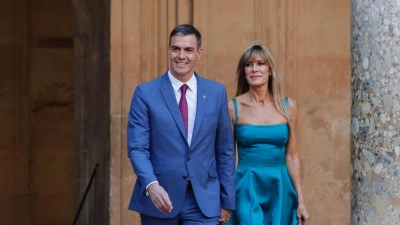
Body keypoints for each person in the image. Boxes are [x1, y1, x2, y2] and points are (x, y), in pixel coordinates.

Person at [127, 24, 236, 225]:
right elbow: (137, 148)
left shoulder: (216, 93)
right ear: (168, 50)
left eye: (188, 50)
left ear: (199, 53)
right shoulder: (145, 93)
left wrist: (227, 200)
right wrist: (152, 185)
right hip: (159, 198)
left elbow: (225, 150)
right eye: (176, 49)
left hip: (204, 200)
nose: (181, 56)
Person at [226, 44, 309, 225]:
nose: (254, 69)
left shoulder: (289, 107)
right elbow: (228, 157)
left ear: (270, 70)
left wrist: (301, 201)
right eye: (249, 65)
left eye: (260, 63)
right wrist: (225, 198)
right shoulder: (233, 108)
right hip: (246, 185)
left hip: (280, 186)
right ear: (244, 71)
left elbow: (292, 156)